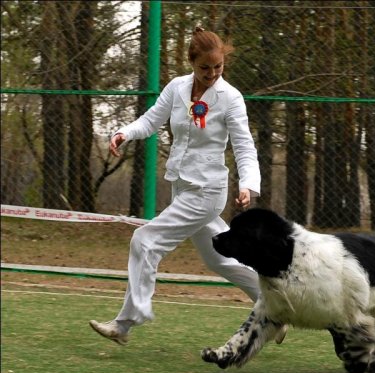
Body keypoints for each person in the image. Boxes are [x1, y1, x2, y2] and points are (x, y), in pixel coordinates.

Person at [90, 27, 286, 345]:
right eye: (204, 68)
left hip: (207, 191)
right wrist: (123, 133)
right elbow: (151, 120)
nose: (212, 74)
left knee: (145, 240)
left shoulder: (230, 98)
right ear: (191, 62)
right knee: (218, 259)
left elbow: (245, 146)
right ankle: (276, 308)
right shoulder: (177, 88)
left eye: (218, 67)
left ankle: (127, 321)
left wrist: (249, 184)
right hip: (181, 187)